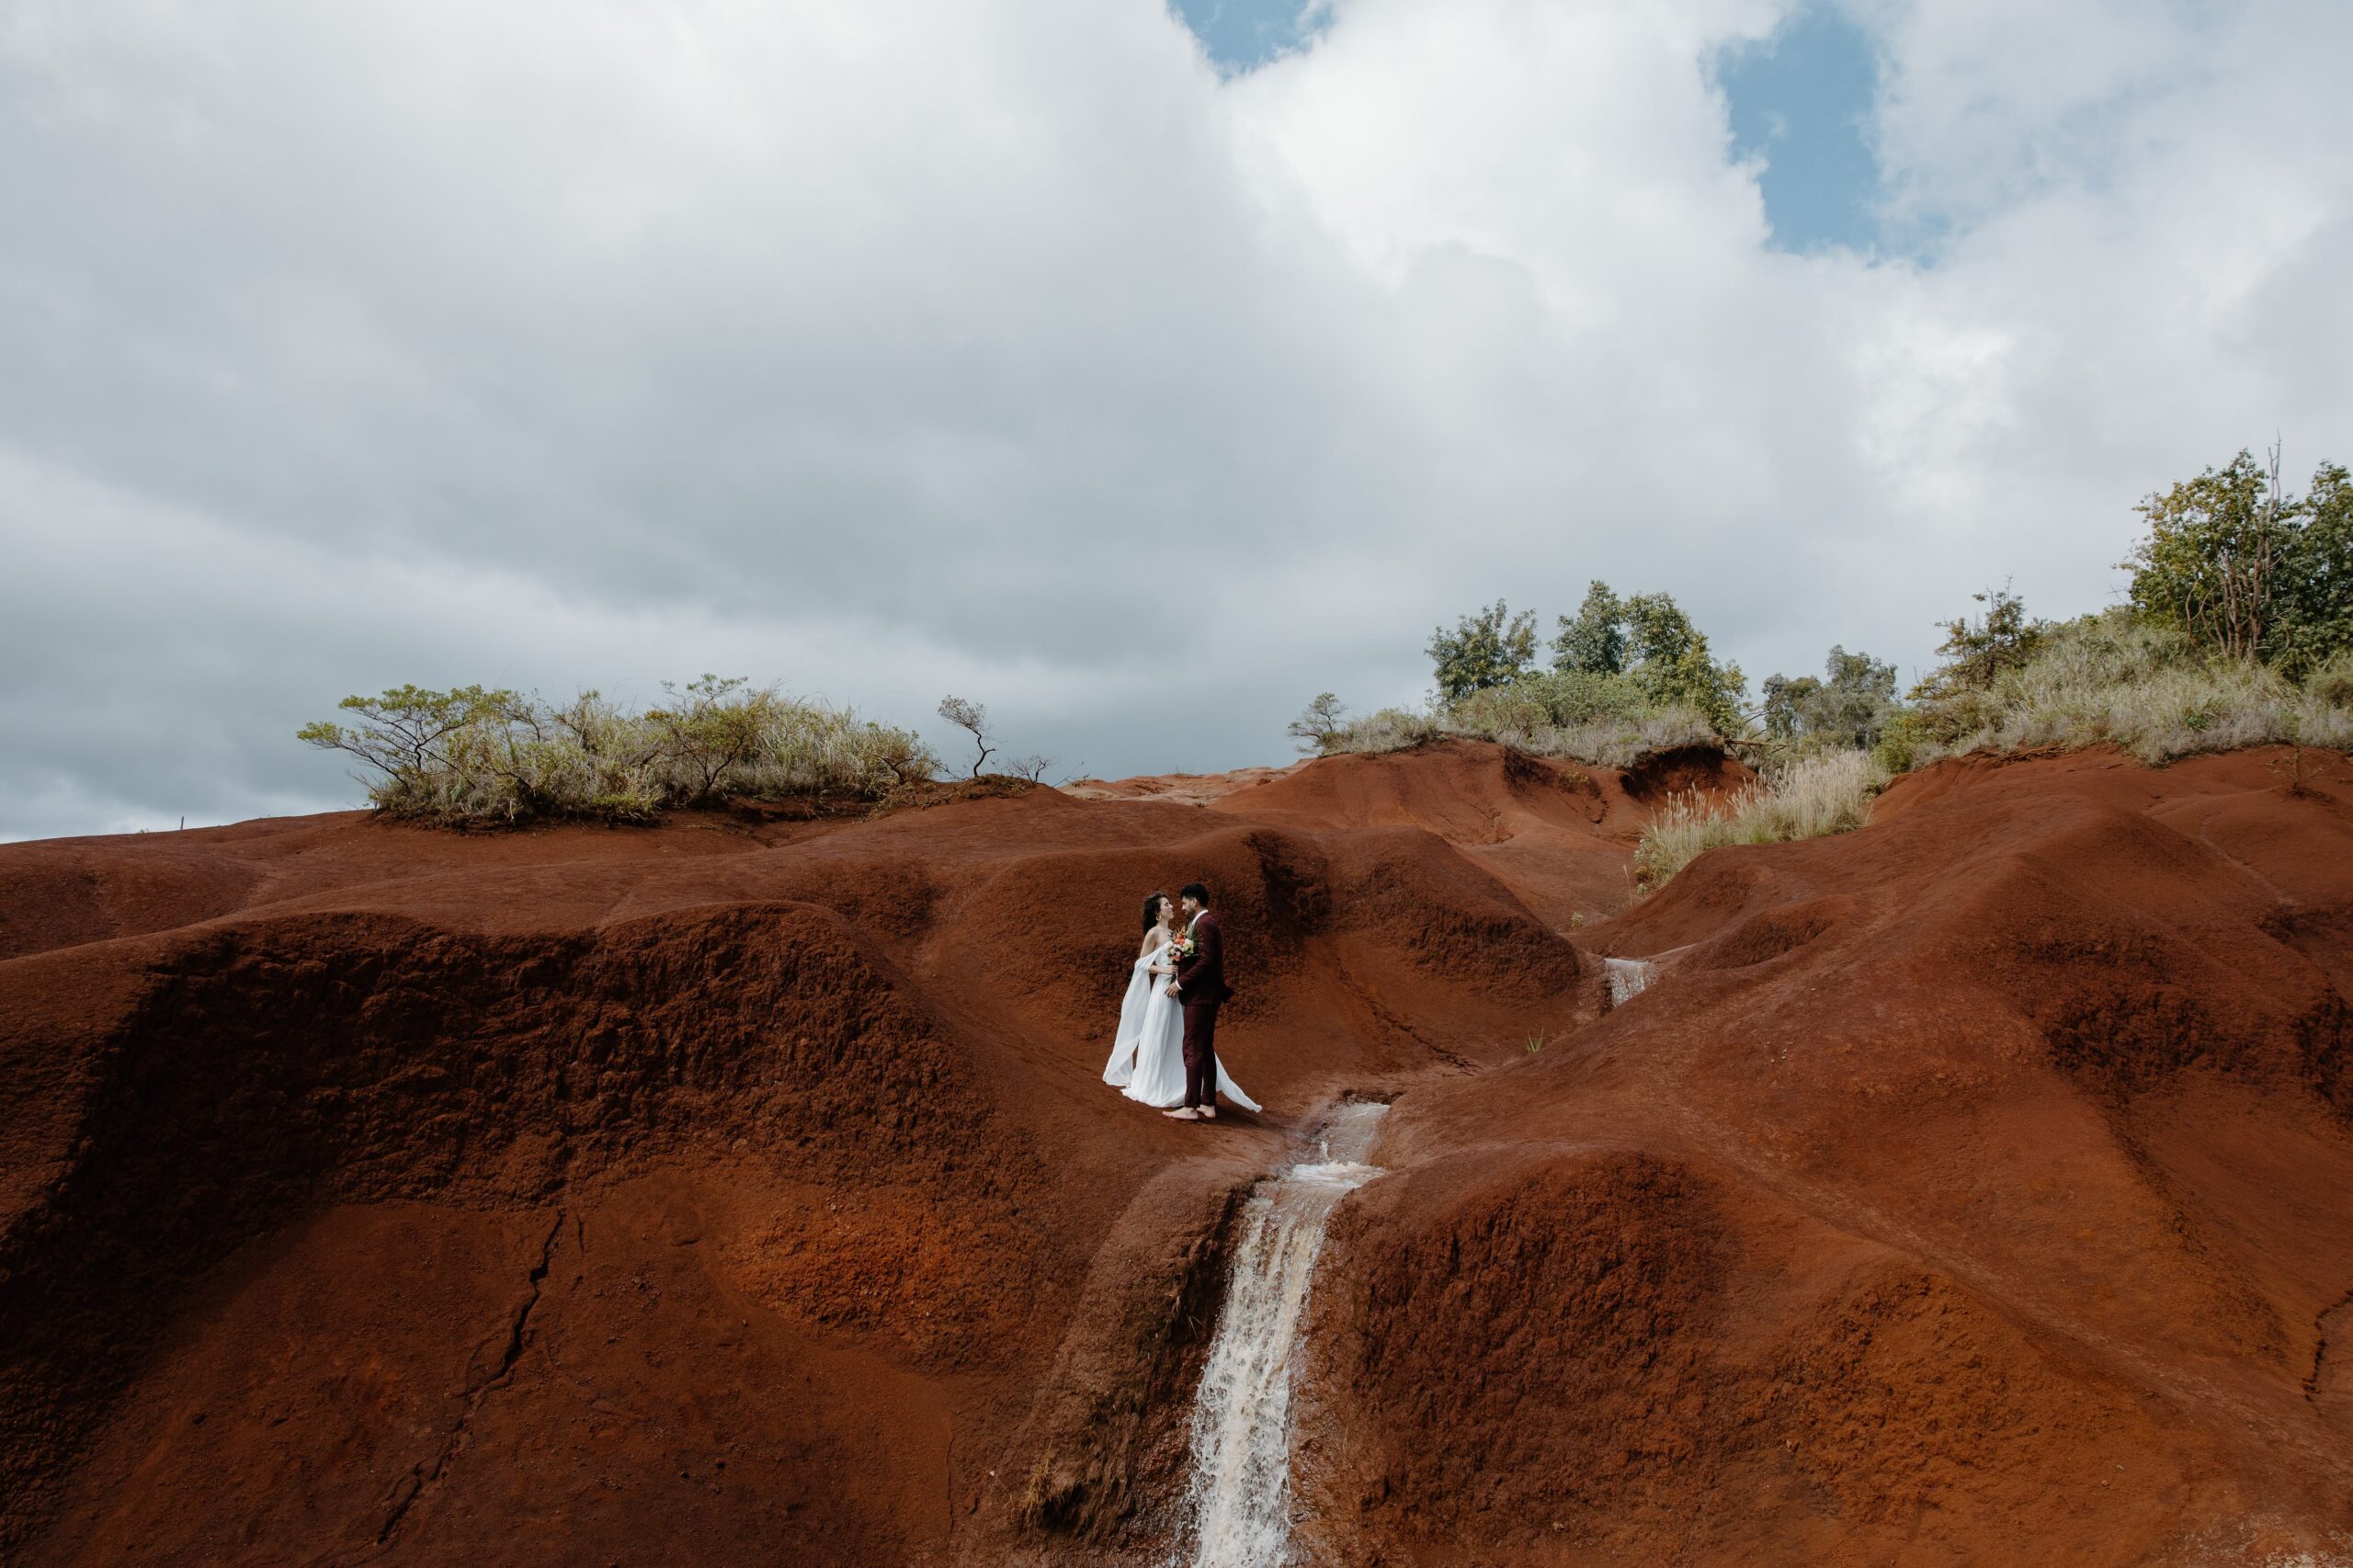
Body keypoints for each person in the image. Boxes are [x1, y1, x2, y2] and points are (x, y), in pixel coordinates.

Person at [1106, 887, 1256, 1114]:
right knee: (1160, 1035)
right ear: (1158, 913)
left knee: (1181, 1039)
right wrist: (1165, 970)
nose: (1173, 906)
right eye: (1166, 904)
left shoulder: (1181, 932)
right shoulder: (1154, 933)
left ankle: (1185, 1091)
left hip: (1179, 992)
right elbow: (1141, 963)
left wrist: (1180, 976)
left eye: (1175, 903)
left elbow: (1197, 960)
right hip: (1164, 990)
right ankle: (1159, 1084)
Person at [1163, 881, 1234, 1122]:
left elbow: (1206, 961)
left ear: (1194, 901)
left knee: (1192, 1048)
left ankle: (1191, 1106)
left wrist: (1180, 983)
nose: (1182, 907)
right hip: (1205, 996)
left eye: (1184, 902)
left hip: (1201, 997)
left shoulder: (1205, 924)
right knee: (1204, 1049)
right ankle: (1208, 1104)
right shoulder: (1202, 924)